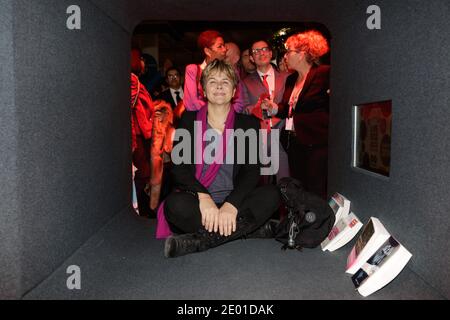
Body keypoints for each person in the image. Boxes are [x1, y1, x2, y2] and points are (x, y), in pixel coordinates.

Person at [160, 60, 281, 258]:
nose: (218, 86)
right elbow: (178, 167)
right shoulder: (189, 121)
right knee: (174, 205)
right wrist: (204, 197)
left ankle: (200, 241)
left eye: (225, 82)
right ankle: (249, 230)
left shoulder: (248, 124)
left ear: (234, 91)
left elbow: (251, 171)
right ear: (204, 90)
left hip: (236, 202)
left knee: (272, 194)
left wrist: (231, 205)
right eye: (212, 81)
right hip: (198, 203)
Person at [277, 30, 330, 199]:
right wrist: (274, 109)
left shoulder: (324, 73)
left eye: (288, 51)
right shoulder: (290, 80)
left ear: (302, 54)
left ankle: (318, 224)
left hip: (316, 144)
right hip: (294, 143)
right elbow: (289, 110)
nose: (285, 56)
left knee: (315, 190)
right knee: (299, 191)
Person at [242, 40, 290, 183]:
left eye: (264, 49)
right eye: (256, 51)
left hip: (282, 135)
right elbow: (243, 109)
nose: (261, 53)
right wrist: (257, 107)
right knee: (264, 183)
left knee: (285, 181)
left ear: (270, 53)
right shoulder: (245, 82)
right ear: (251, 58)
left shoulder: (286, 77)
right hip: (259, 137)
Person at [183, 30, 247, 113]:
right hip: (199, 121)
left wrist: (225, 116)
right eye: (220, 46)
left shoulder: (233, 72)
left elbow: (239, 103)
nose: (225, 49)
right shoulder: (193, 70)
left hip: (228, 122)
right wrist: (215, 113)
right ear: (208, 51)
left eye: (224, 45)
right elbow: (190, 104)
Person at [130, 48, 155, 218]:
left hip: (136, 135)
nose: (143, 62)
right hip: (135, 136)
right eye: (141, 58)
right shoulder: (132, 80)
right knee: (140, 175)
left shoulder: (134, 79)